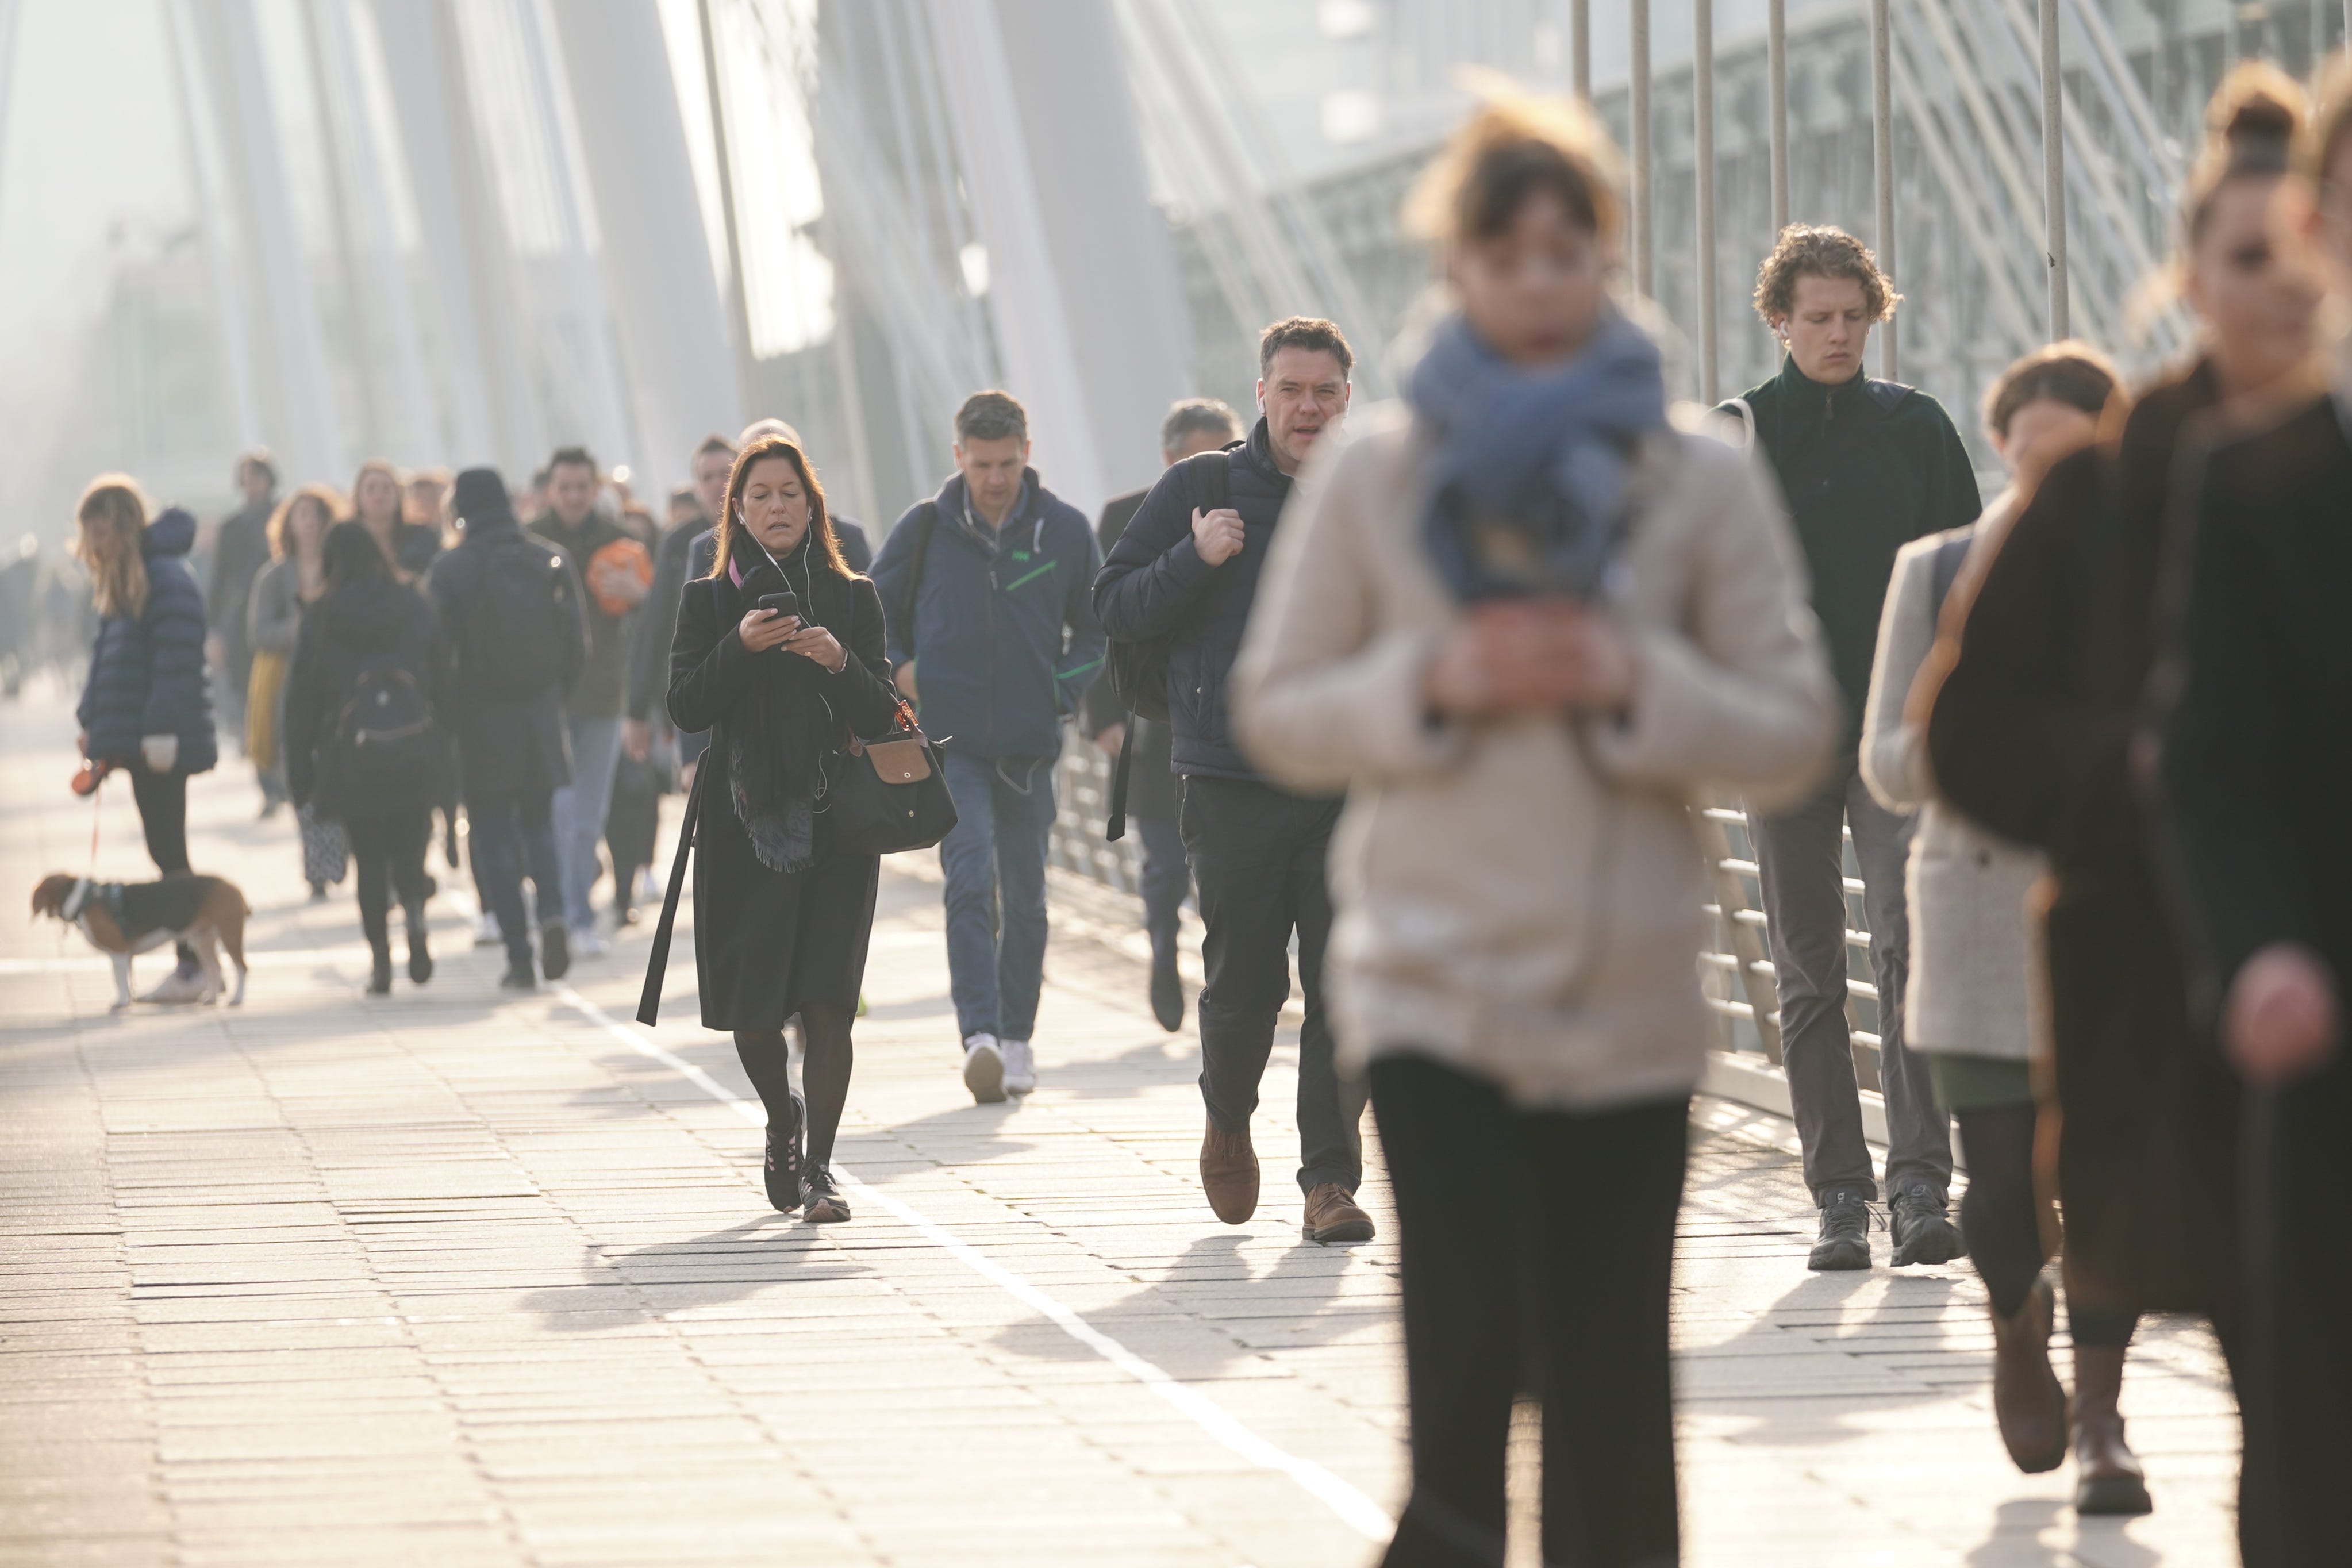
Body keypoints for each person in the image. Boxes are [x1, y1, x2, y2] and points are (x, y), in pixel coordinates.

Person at [1231, 93, 1835, 1566]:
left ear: (1607, 257)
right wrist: (1428, 678)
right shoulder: (1383, 469)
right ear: (1457, 268)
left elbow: (1793, 722)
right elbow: (1280, 705)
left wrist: (1639, 677)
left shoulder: (1694, 473)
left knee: (1611, 1385)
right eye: (1504, 252)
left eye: (1570, 248)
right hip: (1432, 987)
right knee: (1461, 1369)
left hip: (1624, 997)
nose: (1539, 278)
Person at [1926, 65, 2317, 1547]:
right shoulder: (2098, 495)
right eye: (2244, 258)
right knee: (2268, 1374)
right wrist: (2142, 766)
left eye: (2311, 249)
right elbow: (1962, 730)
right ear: (2187, 275)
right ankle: (2089, 1394)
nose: (2282, 291)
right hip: (2158, 991)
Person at [1860, 344, 2134, 1497]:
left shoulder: (2157, 562)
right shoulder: (1937, 569)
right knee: (2004, 1176)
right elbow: (1882, 761)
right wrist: (1991, 741)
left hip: (2118, 903)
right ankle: (2018, 1319)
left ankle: (2106, 1420)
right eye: (2031, 457)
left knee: (2112, 1172)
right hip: (1975, 903)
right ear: (2002, 452)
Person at [2154, 57, 2352, 1562]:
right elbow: (2210, 760)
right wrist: (2259, 947)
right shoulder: (2259, 484)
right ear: (2314, 224)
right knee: (2309, 1430)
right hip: (2321, 1025)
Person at [1721, 224, 1980, 1271]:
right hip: (1782, 735)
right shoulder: (1735, 436)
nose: (1837, 334)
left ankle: (1918, 1181)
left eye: (1852, 316)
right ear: (1777, 319)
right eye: (1816, 317)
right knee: (1806, 969)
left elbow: (1962, 585)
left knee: (1907, 948)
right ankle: (1837, 1192)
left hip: (1890, 733)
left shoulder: (1915, 427)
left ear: (1875, 315)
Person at [1097, 328, 1371, 1242]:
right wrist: (1194, 556)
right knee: (1246, 982)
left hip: (1349, 781)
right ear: (1260, 393)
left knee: (1346, 987)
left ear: (1347, 396)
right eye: (1291, 389)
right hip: (1230, 778)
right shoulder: (1200, 488)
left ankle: (1330, 1181)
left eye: (1325, 392)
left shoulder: (1376, 492)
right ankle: (1227, 1115)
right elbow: (1114, 603)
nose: (1308, 407)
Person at [662, 433, 902, 1224]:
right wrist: (739, 647)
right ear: (736, 507)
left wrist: (839, 661)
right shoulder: (708, 601)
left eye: (789, 495)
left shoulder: (852, 596)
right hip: (742, 823)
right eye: (760, 494)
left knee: (829, 1003)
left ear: (812, 507)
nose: (776, 507)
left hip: (839, 823)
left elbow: (885, 714)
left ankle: (822, 1173)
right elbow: (686, 707)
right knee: (757, 1012)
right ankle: (782, 1118)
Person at [871, 390, 1105, 1104]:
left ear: (1027, 453)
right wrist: (905, 670)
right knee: (970, 879)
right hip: (951, 743)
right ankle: (979, 1035)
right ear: (959, 458)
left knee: (1028, 897)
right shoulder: (924, 528)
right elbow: (873, 611)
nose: (995, 478)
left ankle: (1017, 1037)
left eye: (1006, 463)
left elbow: (1095, 630)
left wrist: (1060, 694)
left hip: (1032, 747)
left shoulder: (1063, 531)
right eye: (981, 465)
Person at [1083, 397, 1240, 1033]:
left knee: (1223, 867)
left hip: (1229, 725)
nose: (1220, 467)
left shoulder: (1254, 512)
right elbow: (1103, 624)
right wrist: (1103, 720)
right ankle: (1161, 950)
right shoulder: (1125, 517)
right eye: (1204, 454)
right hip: (1150, 728)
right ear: (1171, 459)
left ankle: (1221, 984)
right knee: (1167, 863)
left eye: (1228, 453)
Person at [429, 468, 589, 990]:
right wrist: (551, 698)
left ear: (461, 511)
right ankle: (554, 913)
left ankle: (520, 956)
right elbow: (577, 646)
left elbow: (438, 655)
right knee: (539, 824)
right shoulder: (550, 558)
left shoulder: (451, 569)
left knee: (494, 835)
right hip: (540, 715)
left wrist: (451, 717)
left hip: (480, 721)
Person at [281, 522, 451, 994]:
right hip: (414, 748)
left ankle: (381, 961)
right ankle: (415, 911)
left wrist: (300, 773)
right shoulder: (412, 603)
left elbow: (301, 701)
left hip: (351, 756)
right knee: (411, 847)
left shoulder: (321, 617)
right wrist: (445, 742)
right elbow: (441, 674)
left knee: (370, 860)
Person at [75, 478, 222, 1002]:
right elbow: (107, 664)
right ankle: (196, 962)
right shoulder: (125, 580)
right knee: (165, 848)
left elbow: (176, 662)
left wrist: (160, 730)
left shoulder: (163, 577)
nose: (94, 545)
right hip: (137, 740)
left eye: (101, 532)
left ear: (124, 527)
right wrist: (91, 718)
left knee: (170, 848)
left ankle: (196, 965)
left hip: (160, 741)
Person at [529, 446, 650, 958]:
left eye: (583, 487)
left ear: (595, 488)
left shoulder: (622, 544)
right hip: (547, 696)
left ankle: (577, 915)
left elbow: (657, 615)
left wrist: (637, 594)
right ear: (551, 490)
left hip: (602, 694)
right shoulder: (530, 543)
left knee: (587, 816)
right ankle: (559, 911)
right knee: (556, 810)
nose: (575, 496)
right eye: (565, 488)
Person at [247, 486, 351, 897]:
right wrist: (302, 629)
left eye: (316, 515)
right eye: (301, 515)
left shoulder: (342, 568)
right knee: (302, 780)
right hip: (291, 688)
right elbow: (258, 631)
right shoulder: (274, 576)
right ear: (289, 524)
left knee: (342, 773)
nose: (308, 523)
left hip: (339, 687)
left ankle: (345, 854)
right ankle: (317, 870)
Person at [628, 434, 736, 786]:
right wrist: (637, 711)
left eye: (726, 473)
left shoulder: (767, 531)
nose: (717, 485)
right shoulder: (679, 543)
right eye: (707, 477)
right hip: (699, 693)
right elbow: (657, 625)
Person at [205, 451, 277, 791]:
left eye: (258, 476)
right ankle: (266, 782)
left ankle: (285, 777)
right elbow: (219, 583)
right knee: (252, 701)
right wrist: (214, 632)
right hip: (244, 623)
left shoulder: (286, 516)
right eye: (246, 478)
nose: (252, 484)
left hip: (283, 613)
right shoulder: (232, 527)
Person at [351, 458, 443, 580]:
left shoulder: (422, 538)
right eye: (371, 489)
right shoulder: (347, 541)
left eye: (387, 489)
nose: (379, 496)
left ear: (399, 495)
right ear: (358, 496)